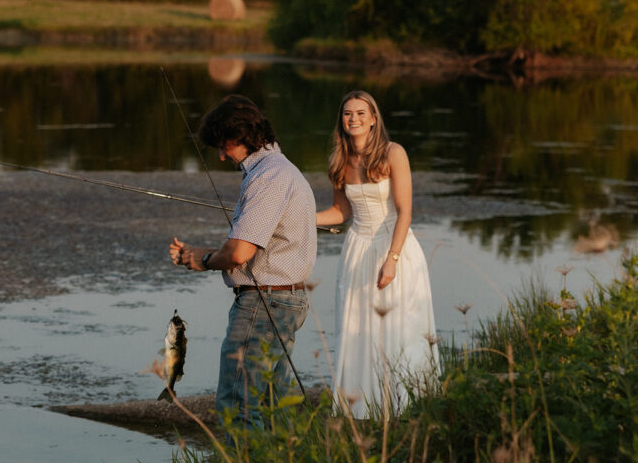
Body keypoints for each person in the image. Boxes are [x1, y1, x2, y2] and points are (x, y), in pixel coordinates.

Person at [170, 94, 316, 429]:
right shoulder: (281, 170)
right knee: (269, 404)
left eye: (224, 146)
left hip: (264, 303)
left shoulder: (270, 176)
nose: (221, 156)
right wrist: (201, 256)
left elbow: (238, 253)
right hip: (280, 300)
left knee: (238, 403)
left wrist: (203, 260)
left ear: (242, 137)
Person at [316, 90, 439, 417]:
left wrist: (392, 260)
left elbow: (404, 212)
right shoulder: (340, 161)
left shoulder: (393, 153)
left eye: (360, 113)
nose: (353, 119)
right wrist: (301, 219)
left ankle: (406, 407)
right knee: (358, 328)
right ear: (341, 121)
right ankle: (364, 408)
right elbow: (340, 213)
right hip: (357, 249)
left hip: (394, 246)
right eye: (347, 114)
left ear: (373, 119)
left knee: (400, 328)